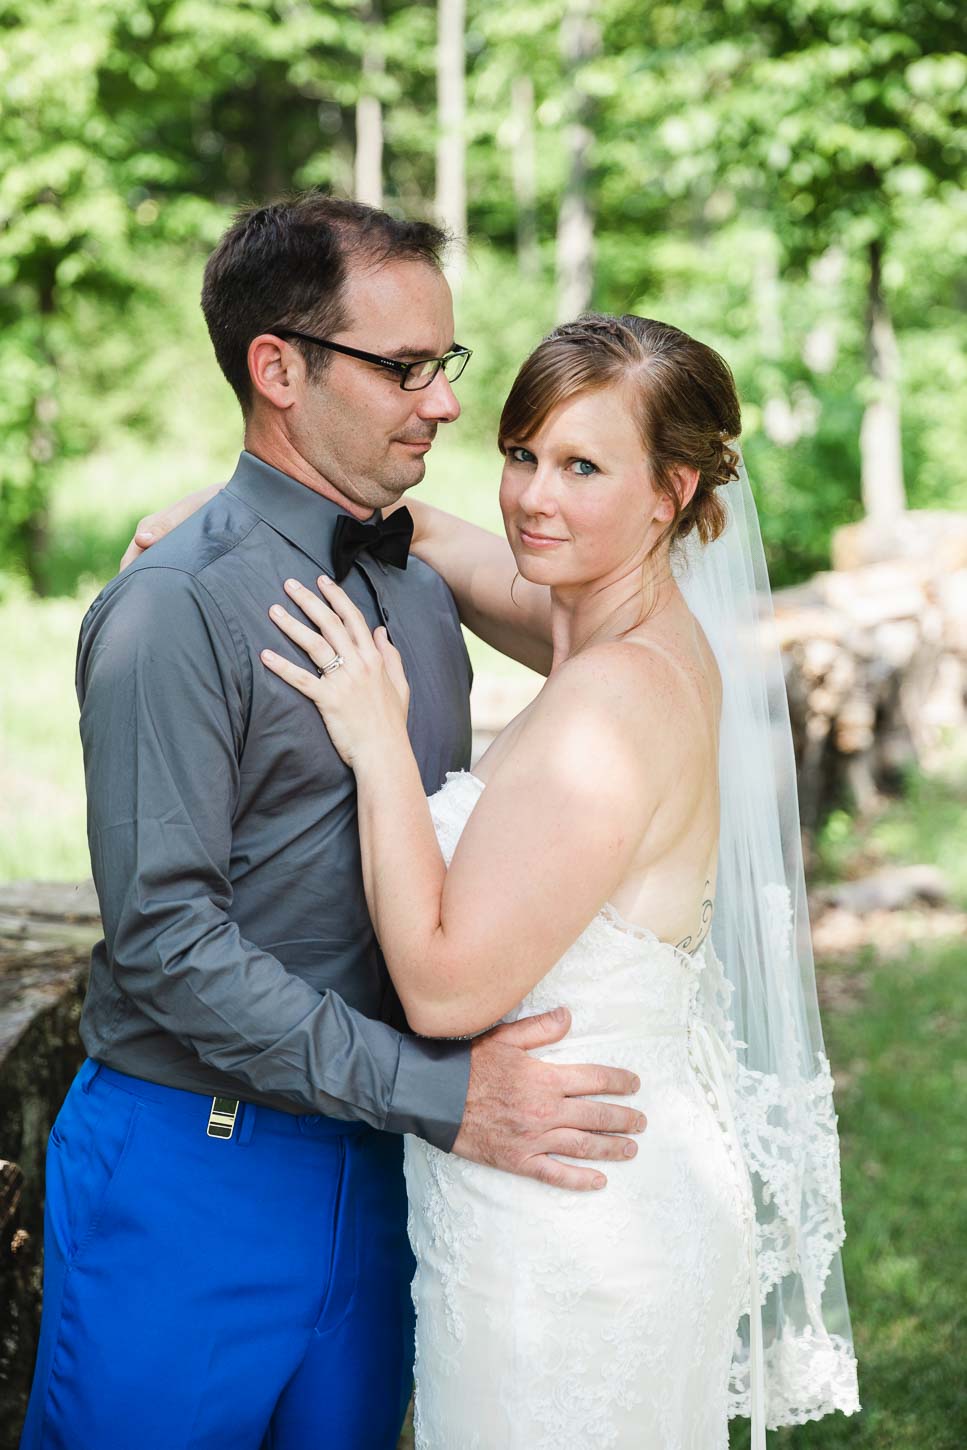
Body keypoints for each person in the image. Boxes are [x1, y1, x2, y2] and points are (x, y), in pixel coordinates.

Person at [130, 314, 861, 1446]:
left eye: (582, 467)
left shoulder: (614, 696)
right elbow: (429, 531)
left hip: (567, 1228)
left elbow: (442, 989)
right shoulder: (605, 624)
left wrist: (379, 742)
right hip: (579, 1187)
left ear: (670, 492)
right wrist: (230, 517)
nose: (533, 498)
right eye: (522, 454)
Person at [19, 196, 648, 1450]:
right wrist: (446, 1095)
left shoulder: (420, 588)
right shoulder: (175, 606)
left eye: (444, 363)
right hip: (194, 1173)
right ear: (278, 369)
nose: (445, 403)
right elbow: (165, 943)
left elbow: (635, 630)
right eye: (406, 368)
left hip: (385, 1173)